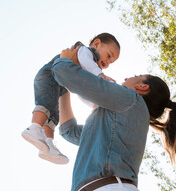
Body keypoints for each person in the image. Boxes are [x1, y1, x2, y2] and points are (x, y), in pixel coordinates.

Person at [52, 47, 176, 191]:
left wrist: (64, 60)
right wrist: (63, 90)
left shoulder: (131, 100)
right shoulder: (117, 117)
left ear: (143, 87)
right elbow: (69, 131)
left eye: (136, 76)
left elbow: (65, 73)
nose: (127, 77)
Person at [21, 33, 120, 164]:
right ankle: (34, 127)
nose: (107, 62)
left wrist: (93, 104)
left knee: (53, 116)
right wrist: (100, 74)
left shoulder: (89, 67)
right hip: (49, 76)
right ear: (96, 44)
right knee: (46, 105)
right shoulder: (84, 51)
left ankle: (48, 145)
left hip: (59, 86)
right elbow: (86, 62)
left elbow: (80, 91)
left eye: (111, 62)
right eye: (108, 55)